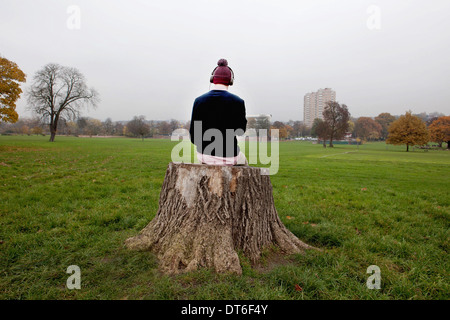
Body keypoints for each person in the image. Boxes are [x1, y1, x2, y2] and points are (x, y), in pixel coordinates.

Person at [189, 59, 248, 166]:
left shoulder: (199, 101)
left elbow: (194, 136)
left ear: (213, 79)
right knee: (245, 164)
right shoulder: (238, 102)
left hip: (204, 155)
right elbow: (240, 131)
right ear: (230, 81)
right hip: (230, 156)